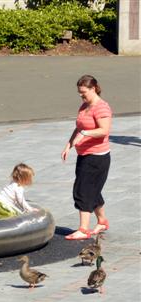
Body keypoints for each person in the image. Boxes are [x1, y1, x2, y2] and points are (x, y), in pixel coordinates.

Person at [61, 75, 112, 240]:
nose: (81, 96)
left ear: (94, 89)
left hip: (97, 157)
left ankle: (83, 229)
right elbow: (79, 128)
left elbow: (104, 130)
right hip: (84, 155)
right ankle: (102, 221)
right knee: (93, 189)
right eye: (79, 93)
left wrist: (85, 133)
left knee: (83, 191)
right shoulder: (84, 106)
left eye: (83, 93)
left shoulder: (102, 108)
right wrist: (69, 145)